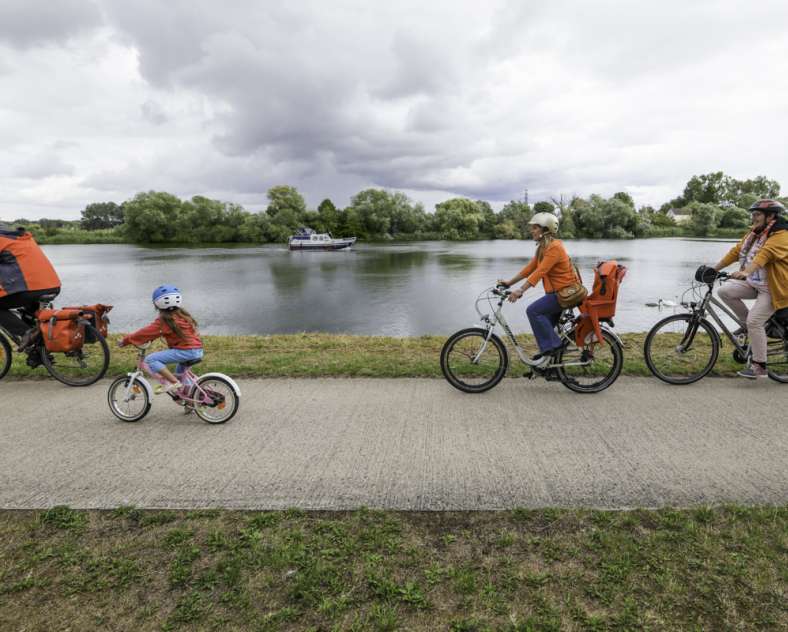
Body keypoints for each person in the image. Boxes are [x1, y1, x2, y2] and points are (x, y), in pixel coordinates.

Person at [712, 199, 788, 378]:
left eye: (757, 214)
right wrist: (713, 269)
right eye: (752, 214)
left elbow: (764, 255)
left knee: (755, 321)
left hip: (774, 288)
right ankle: (749, 328)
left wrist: (746, 271)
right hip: (755, 282)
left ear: (771, 216)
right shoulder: (755, 233)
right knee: (725, 291)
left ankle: (760, 365)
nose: (753, 218)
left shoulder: (782, 235)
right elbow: (736, 251)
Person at [498, 212, 579, 365]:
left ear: (545, 230)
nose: (532, 231)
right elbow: (530, 268)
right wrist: (509, 283)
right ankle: (549, 361)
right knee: (543, 326)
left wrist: (520, 290)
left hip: (564, 294)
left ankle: (555, 346)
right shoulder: (543, 248)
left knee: (533, 311)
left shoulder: (555, 248)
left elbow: (540, 272)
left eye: (535, 228)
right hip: (556, 294)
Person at [118, 285, 204, 397]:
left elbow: (144, 333)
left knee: (150, 360)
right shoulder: (183, 315)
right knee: (180, 374)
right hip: (197, 350)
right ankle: (190, 399)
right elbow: (155, 333)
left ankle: (173, 382)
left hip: (185, 351)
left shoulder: (164, 321)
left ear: (157, 304)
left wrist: (125, 340)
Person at [0, 223, 61, 354]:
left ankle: (26, 333)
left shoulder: (2, 241)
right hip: (53, 285)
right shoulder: (23, 238)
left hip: (30, 289)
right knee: (28, 313)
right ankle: (39, 349)